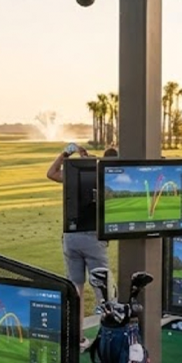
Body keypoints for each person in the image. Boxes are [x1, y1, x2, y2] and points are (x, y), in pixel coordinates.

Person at [47, 144, 118, 350]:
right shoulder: (108, 179)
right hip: (93, 239)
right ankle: (109, 341)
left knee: (75, 290)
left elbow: (51, 173)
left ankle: (77, 340)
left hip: (70, 238)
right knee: (103, 292)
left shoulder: (74, 175)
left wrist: (67, 154)